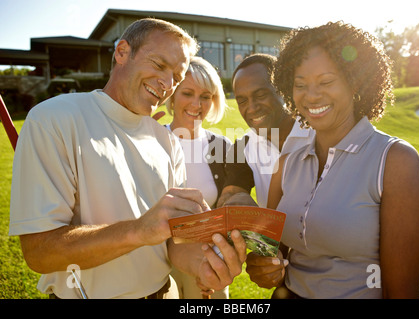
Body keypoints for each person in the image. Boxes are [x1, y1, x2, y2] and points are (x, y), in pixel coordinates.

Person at [8, 18, 246, 299]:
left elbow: (173, 242)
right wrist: (138, 230)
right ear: (122, 52)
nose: (167, 84)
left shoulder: (166, 140)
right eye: (159, 65)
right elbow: (40, 253)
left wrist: (202, 266)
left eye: (176, 77)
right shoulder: (55, 118)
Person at [246, 21, 419, 299]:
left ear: (355, 81)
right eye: (300, 84)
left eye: (326, 81)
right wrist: (262, 267)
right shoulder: (288, 161)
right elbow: (274, 256)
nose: (311, 95)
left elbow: (404, 292)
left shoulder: (394, 161)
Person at [164, 56, 231, 298]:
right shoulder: (149, 141)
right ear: (172, 95)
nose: (197, 104)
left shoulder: (223, 147)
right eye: (187, 93)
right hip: (156, 265)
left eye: (205, 96)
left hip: (206, 264)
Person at [216, 54, 314, 208]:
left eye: (261, 95)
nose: (252, 108)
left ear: (284, 90)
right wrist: (235, 200)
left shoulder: (319, 134)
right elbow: (232, 192)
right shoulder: (243, 147)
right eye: (242, 101)